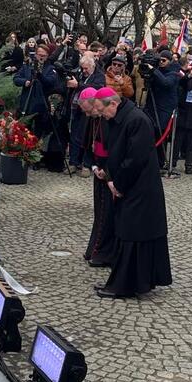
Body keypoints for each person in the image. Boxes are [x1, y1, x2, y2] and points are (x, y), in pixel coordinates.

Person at [95, 90, 172, 298]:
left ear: (112, 104)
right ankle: (126, 280)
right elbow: (116, 153)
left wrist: (118, 184)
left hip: (140, 186)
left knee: (132, 232)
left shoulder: (137, 120)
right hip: (131, 183)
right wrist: (109, 174)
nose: (102, 116)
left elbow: (134, 159)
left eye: (103, 111)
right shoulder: (121, 118)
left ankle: (125, 285)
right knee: (125, 230)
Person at [82, 87, 117, 268]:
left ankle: (103, 252)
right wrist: (94, 166)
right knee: (100, 213)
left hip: (109, 173)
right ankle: (95, 249)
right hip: (99, 171)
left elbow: (115, 149)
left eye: (90, 111)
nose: (89, 115)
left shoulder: (108, 120)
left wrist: (107, 171)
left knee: (108, 214)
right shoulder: (93, 120)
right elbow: (88, 146)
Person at [14, 43, 62, 149]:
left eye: (43, 55)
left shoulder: (50, 69)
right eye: (39, 54)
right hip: (26, 104)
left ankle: (32, 155)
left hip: (41, 107)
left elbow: (50, 82)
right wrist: (24, 81)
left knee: (36, 135)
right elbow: (16, 78)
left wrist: (39, 75)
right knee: (22, 131)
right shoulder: (27, 66)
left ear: (47, 56)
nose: (41, 57)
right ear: (35, 54)